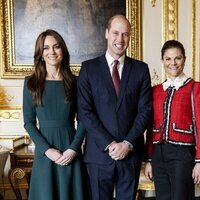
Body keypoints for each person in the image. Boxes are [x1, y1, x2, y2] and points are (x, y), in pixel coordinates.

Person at [77, 14, 152, 200]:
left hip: (130, 154)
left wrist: (127, 143)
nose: (120, 39)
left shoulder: (141, 69)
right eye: (116, 33)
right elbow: (85, 112)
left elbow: (145, 111)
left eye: (125, 34)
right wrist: (109, 144)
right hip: (99, 154)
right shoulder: (88, 68)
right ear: (106, 33)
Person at [23, 29, 88, 200]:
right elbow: (29, 122)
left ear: (63, 51)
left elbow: (83, 120)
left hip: (70, 149)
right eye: (46, 48)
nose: (51, 52)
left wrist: (74, 148)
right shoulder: (31, 83)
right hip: (45, 153)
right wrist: (47, 150)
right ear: (40, 53)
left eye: (56, 47)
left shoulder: (76, 82)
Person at [145, 40, 200, 200]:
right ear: (162, 61)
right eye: (168, 59)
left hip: (182, 154)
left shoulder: (194, 88)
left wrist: (199, 161)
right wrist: (149, 159)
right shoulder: (155, 91)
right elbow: (150, 128)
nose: (173, 63)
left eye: (177, 58)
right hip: (158, 155)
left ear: (184, 59)